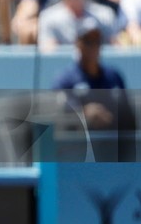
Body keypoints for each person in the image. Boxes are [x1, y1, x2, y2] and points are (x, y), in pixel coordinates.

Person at [51, 16, 135, 162]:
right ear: (78, 43)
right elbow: (57, 116)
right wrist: (84, 113)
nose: (94, 47)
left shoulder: (114, 76)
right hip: (77, 154)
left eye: (97, 41)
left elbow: (129, 119)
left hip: (112, 152)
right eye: (88, 41)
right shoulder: (65, 79)